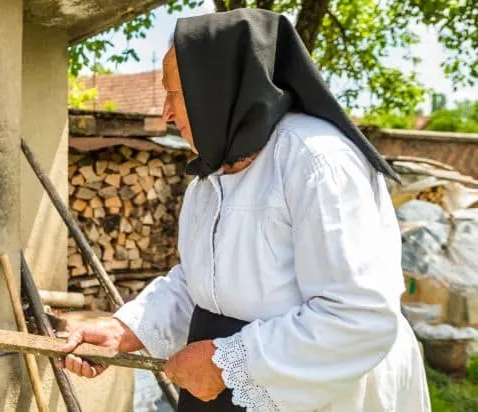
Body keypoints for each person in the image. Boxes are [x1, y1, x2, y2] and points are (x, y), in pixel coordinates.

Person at [57, 9, 431, 412]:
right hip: (228, 381)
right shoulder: (213, 176)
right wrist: (125, 329)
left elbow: (358, 317)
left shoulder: (317, 161)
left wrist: (225, 363)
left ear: (215, 89)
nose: (166, 113)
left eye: (174, 94)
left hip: (316, 390)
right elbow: (200, 284)